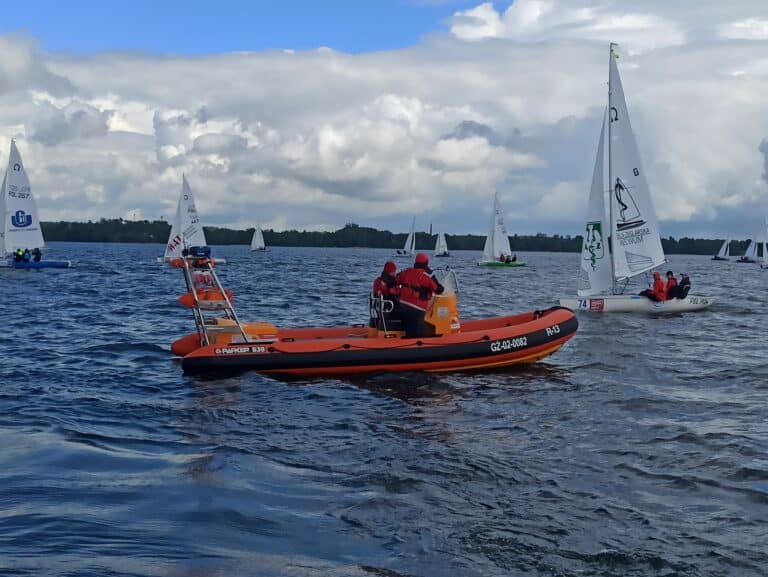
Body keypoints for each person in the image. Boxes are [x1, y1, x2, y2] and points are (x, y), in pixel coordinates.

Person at [396, 253, 444, 337]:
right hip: (416, 307)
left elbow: (396, 280)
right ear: (426, 264)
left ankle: (406, 340)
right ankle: (415, 344)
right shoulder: (425, 276)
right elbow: (438, 290)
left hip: (402, 305)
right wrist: (432, 275)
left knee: (409, 327)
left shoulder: (406, 271)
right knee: (417, 331)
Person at [371, 261, 400, 329]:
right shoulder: (391, 281)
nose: (395, 273)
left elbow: (377, 292)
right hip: (389, 309)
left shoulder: (378, 280)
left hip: (378, 308)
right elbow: (392, 294)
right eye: (394, 271)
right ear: (391, 271)